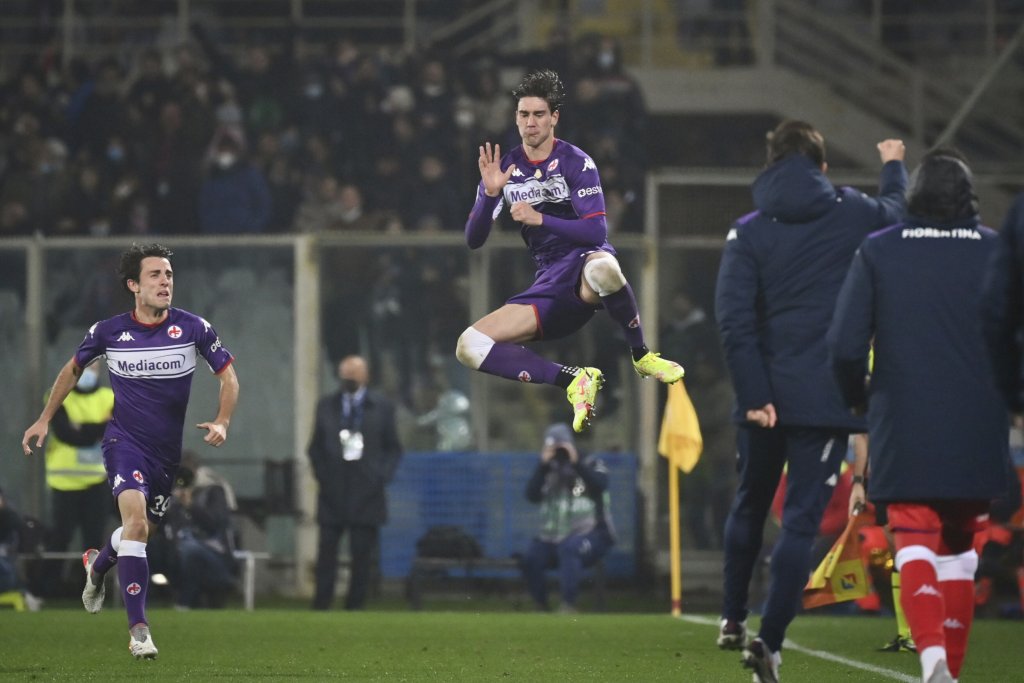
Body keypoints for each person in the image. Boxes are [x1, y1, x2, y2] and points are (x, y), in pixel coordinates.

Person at [714, 119, 907, 683]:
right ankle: (770, 641)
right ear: (822, 166)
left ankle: (732, 617)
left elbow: (733, 320)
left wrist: (755, 395)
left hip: (763, 398)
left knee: (750, 503)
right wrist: (893, 164)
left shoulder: (747, 230)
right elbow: (898, 214)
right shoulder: (853, 212)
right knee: (801, 521)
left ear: (770, 164)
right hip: (825, 397)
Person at [828, 148, 1010, 683]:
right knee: (960, 555)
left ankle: (933, 662)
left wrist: (859, 398)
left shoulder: (880, 250)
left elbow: (843, 346)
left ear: (914, 196)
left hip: (904, 421)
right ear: (969, 199)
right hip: (979, 424)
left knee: (914, 543)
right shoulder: (998, 251)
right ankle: (947, 667)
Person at [21, 243, 238, 660]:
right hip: (124, 444)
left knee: (141, 531)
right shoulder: (108, 332)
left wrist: (223, 420)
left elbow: (229, 377)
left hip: (166, 455)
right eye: (155, 274)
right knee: (135, 524)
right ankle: (139, 631)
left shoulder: (193, 328)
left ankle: (99, 564)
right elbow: (73, 369)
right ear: (134, 285)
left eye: (169, 274)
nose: (165, 281)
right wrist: (45, 418)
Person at [456, 69, 683, 434]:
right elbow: (473, 239)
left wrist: (539, 219)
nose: (531, 122)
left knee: (604, 268)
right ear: (516, 118)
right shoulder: (505, 169)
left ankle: (641, 355)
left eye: (539, 114)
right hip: (548, 282)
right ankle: (573, 379)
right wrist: (490, 196)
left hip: (583, 266)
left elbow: (596, 231)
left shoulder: (577, 162)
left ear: (554, 118)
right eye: (524, 114)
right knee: (469, 346)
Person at [307, 355, 403, 611]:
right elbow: (315, 448)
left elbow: (393, 449)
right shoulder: (327, 406)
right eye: (345, 375)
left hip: (367, 493)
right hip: (333, 493)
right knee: (327, 552)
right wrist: (324, 476)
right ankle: (321, 604)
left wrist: (380, 477)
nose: (348, 379)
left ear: (365, 376)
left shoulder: (382, 407)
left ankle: (355, 606)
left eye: (354, 374)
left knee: (362, 555)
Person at [521, 422, 615, 613]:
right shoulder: (547, 469)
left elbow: (600, 485)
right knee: (531, 557)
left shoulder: (591, 462)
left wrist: (576, 463)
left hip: (593, 534)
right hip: (554, 537)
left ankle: (568, 604)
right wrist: (542, 466)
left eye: (560, 447)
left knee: (569, 547)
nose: (558, 453)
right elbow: (531, 495)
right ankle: (541, 606)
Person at [42, 362, 115, 569]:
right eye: (85, 368)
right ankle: (47, 585)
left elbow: (112, 429)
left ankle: (91, 585)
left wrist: (80, 427)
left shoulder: (110, 397)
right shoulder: (57, 396)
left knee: (94, 542)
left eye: (93, 368)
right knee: (60, 538)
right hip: (64, 483)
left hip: (97, 481)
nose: (88, 373)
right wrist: (98, 428)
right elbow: (66, 434)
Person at [158, 451, 239, 610]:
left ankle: (185, 601)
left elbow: (215, 524)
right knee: (151, 548)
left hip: (215, 553)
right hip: (180, 549)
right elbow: (168, 526)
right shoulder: (175, 493)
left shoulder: (213, 490)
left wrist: (191, 506)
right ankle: (141, 602)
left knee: (189, 549)